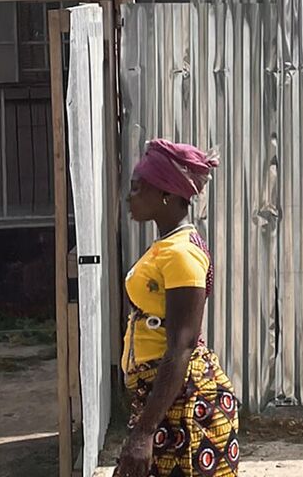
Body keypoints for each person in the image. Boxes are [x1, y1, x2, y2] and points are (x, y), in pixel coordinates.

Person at [117, 139, 238, 477]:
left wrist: (144, 432)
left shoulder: (182, 254)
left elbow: (181, 346)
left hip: (186, 405)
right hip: (165, 400)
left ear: (166, 196)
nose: (130, 196)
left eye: (138, 188)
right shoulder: (166, 246)